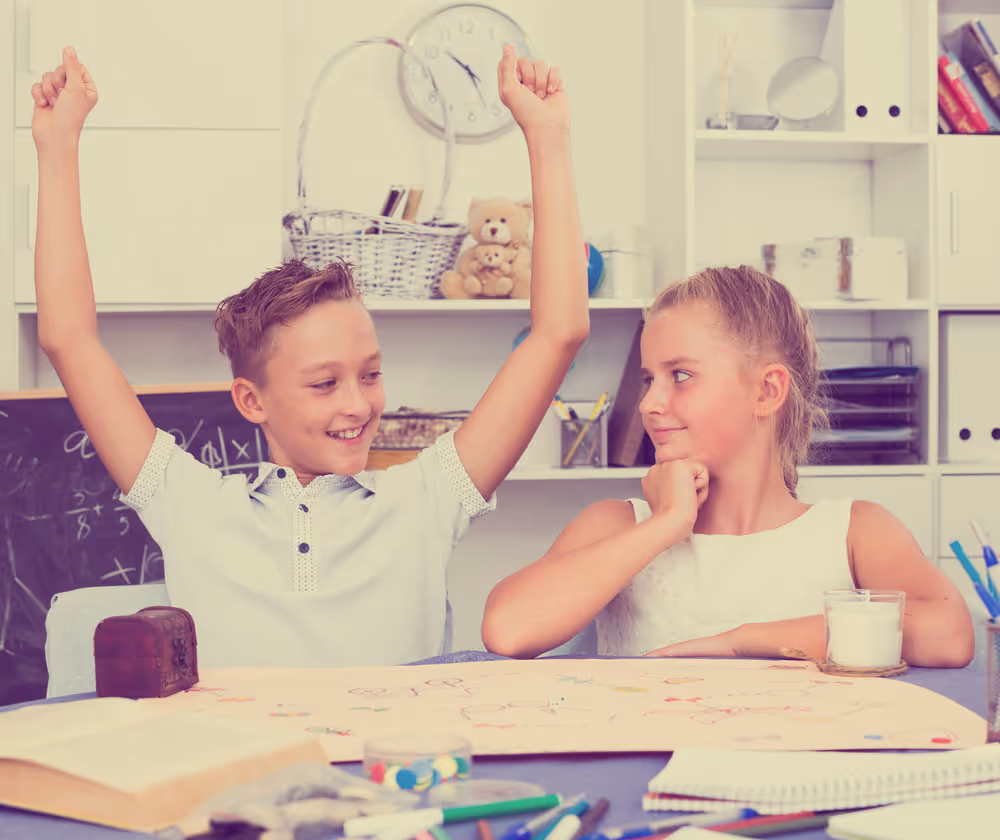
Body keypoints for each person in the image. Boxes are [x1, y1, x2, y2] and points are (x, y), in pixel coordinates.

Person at [30, 44, 588, 666]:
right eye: (324, 384)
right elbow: (68, 337)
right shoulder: (188, 502)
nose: (359, 403)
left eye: (371, 374)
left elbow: (556, 334)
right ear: (252, 399)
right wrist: (57, 150)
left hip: (390, 766)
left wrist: (548, 138)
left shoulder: (430, 497)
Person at [482, 265, 975, 668]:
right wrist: (666, 525)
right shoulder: (618, 525)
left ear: (766, 391)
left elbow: (949, 635)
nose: (650, 403)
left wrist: (740, 642)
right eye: (649, 378)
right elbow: (508, 628)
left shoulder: (854, 532)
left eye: (680, 376)